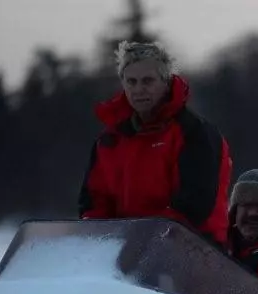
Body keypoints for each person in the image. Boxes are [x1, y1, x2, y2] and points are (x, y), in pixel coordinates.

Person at [78, 40, 232, 246]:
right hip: (124, 250)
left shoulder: (194, 133)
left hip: (193, 249)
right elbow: (94, 201)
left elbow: (194, 205)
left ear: (166, 82)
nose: (139, 89)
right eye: (131, 82)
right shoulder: (110, 141)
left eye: (147, 81)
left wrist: (147, 239)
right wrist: (97, 237)